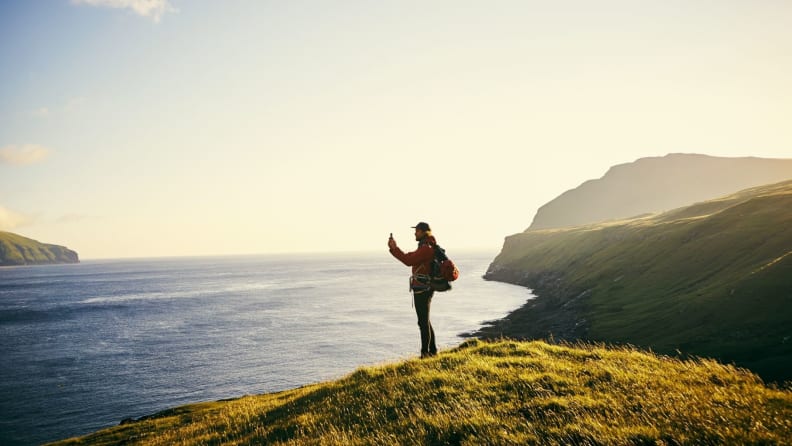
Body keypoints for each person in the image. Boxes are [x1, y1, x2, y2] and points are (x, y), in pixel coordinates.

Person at [388, 222, 439, 358]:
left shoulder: (426, 248)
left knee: (423, 322)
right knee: (424, 320)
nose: (414, 233)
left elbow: (408, 260)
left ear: (424, 232)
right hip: (424, 286)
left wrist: (394, 249)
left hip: (423, 288)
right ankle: (432, 351)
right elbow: (410, 257)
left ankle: (425, 353)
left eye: (417, 231)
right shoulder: (426, 246)